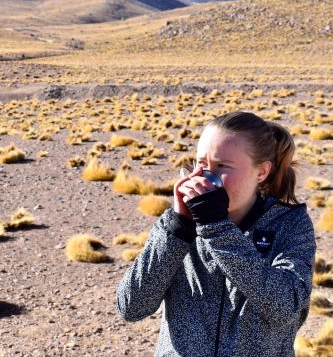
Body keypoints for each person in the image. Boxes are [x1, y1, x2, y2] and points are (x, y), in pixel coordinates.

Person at [116, 110, 316, 357]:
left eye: (222, 166)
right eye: (201, 164)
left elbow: (287, 308)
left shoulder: (289, 223)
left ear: (262, 172)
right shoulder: (178, 227)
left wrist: (216, 227)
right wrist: (177, 228)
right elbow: (131, 306)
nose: (206, 176)